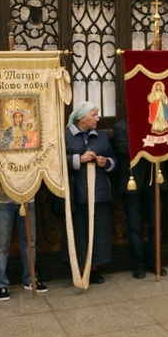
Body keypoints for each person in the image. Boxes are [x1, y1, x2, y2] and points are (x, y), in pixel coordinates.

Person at [64, 102, 115, 284]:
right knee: (79, 232)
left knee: (98, 231)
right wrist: (79, 159)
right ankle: (78, 270)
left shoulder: (101, 136)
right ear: (81, 117)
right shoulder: (66, 135)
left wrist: (105, 162)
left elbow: (113, 160)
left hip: (99, 191)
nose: (97, 118)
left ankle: (94, 268)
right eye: (93, 115)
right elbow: (57, 161)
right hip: (76, 192)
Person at [112, 119, 167, 279]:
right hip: (133, 182)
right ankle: (138, 265)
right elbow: (125, 148)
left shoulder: (157, 125)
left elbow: (166, 147)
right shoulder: (120, 126)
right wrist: (151, 143)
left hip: (154, 180)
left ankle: (154, 263)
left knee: (155, 225)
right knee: (134, 227)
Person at [0, 184, 48, 300]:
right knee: (1, 245)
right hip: (1, 197)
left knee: (30, 242)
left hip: (26, 195)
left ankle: (31, 279)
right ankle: (0, 284)